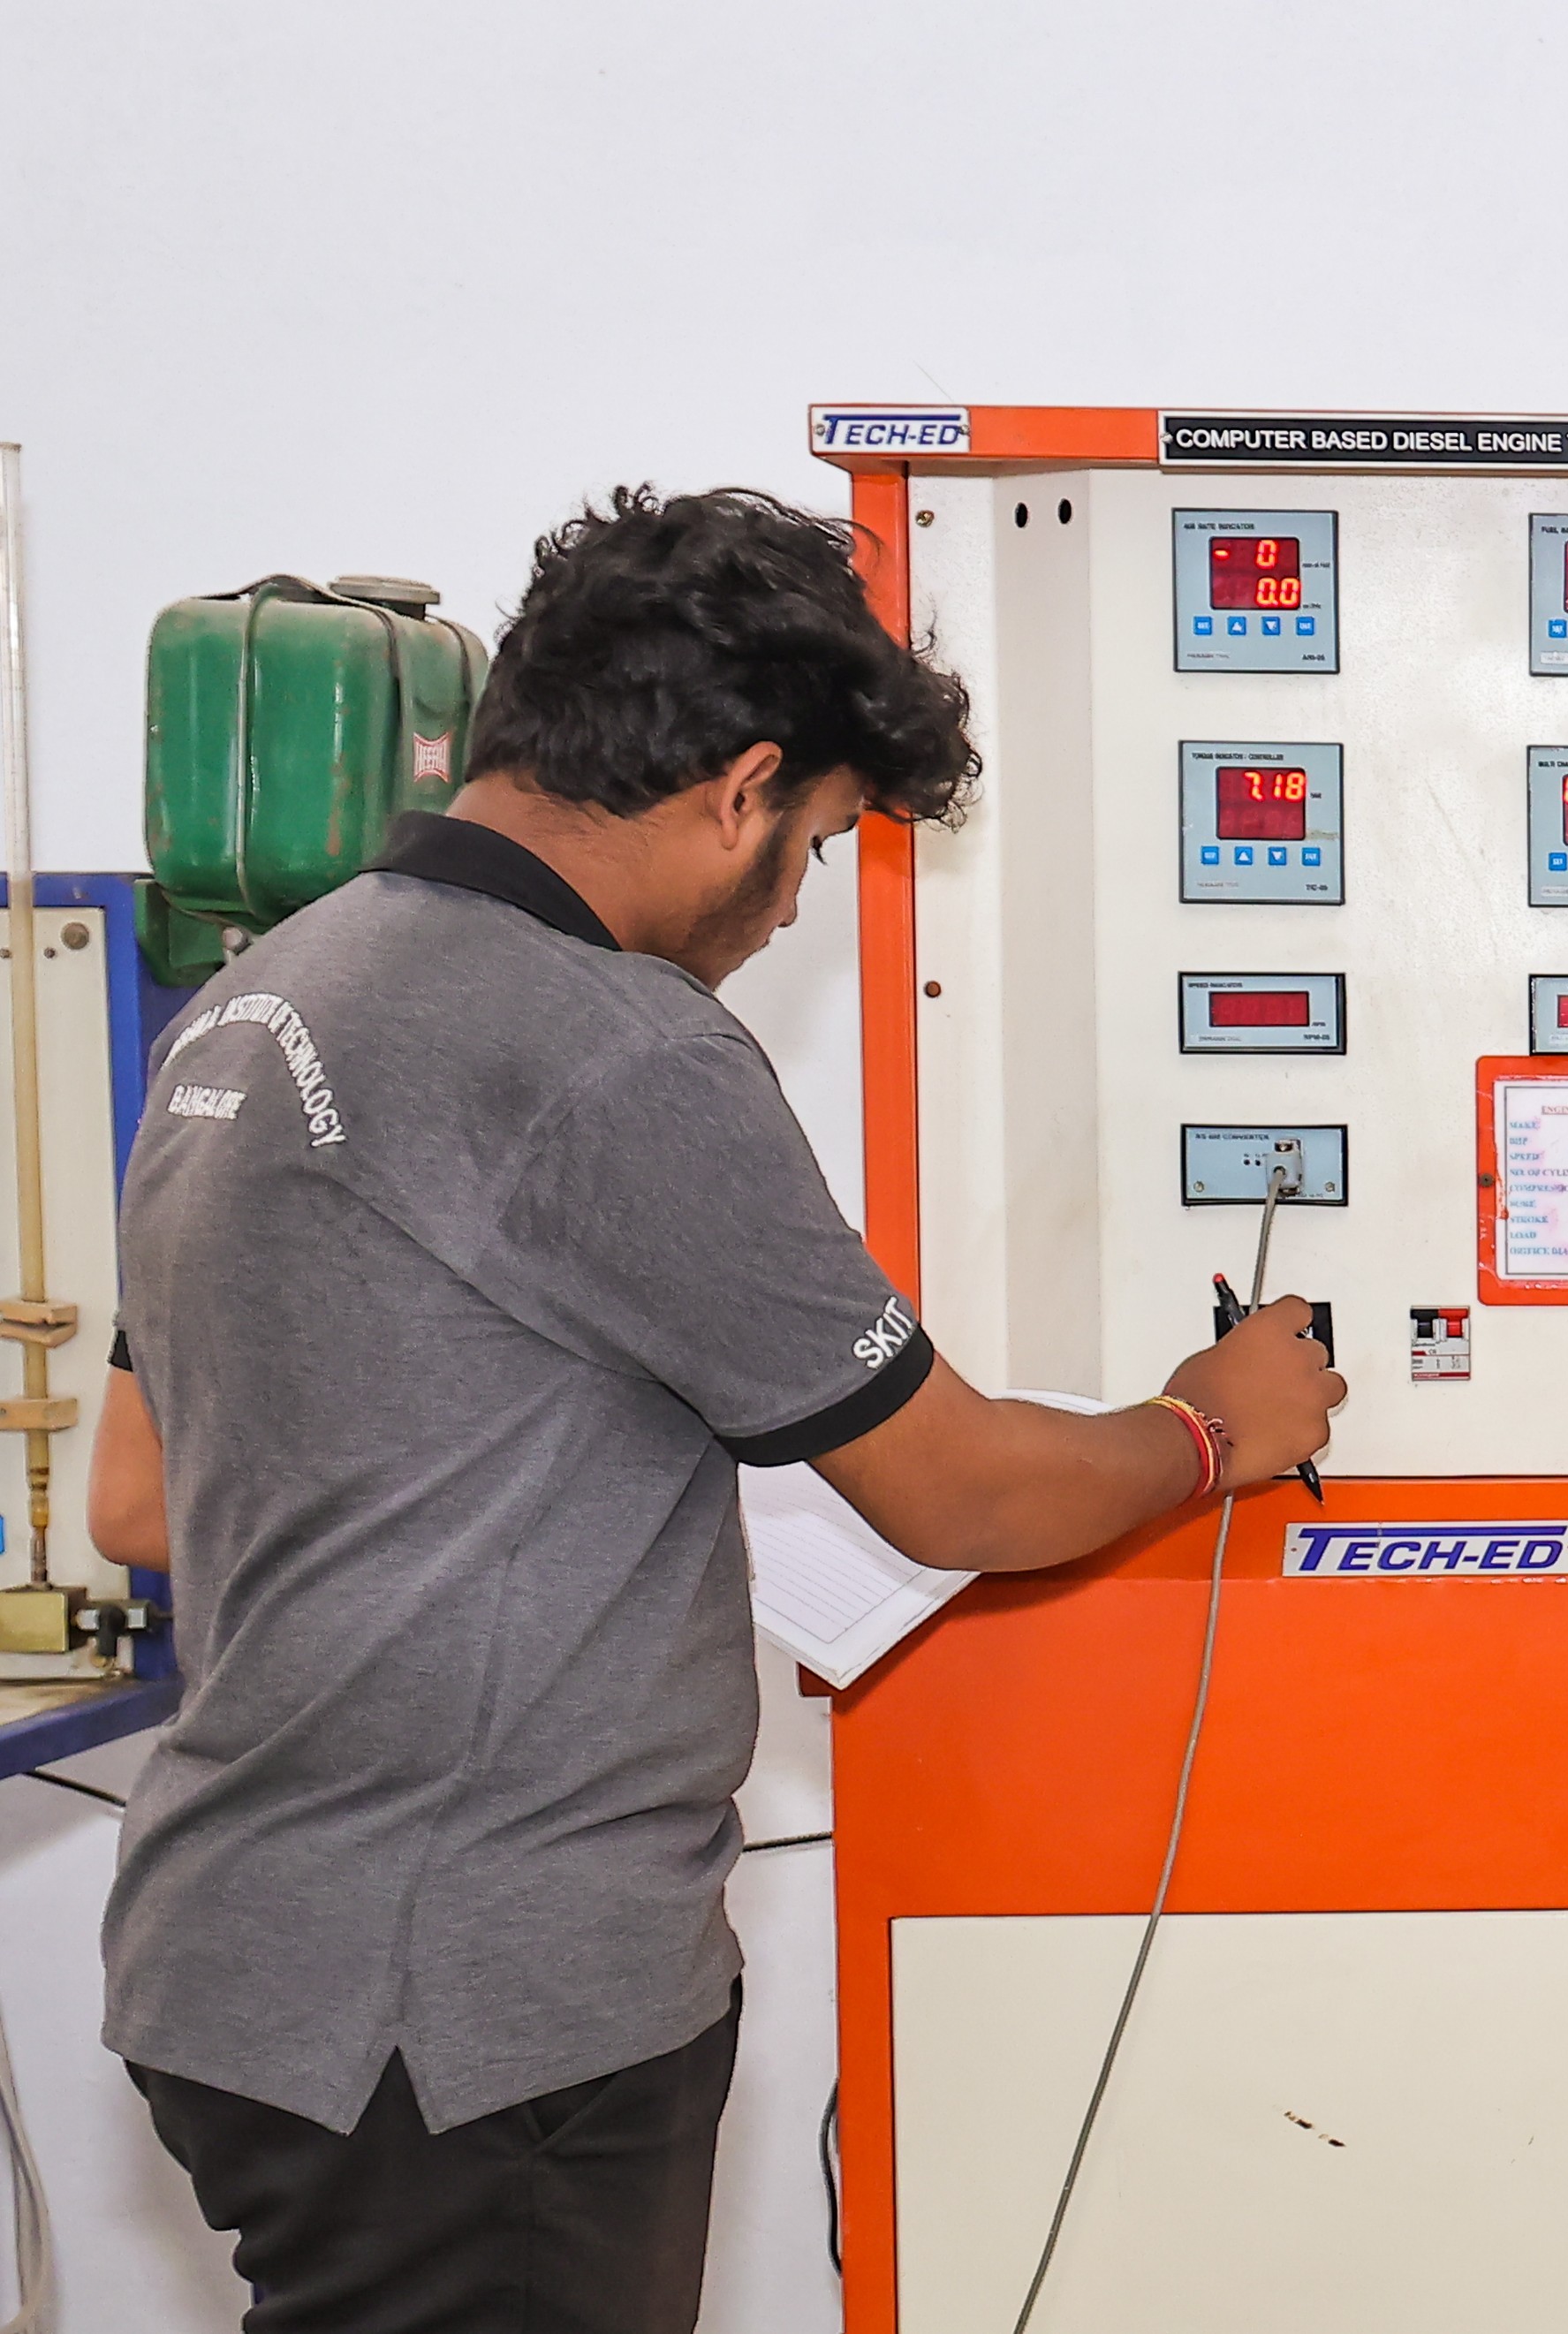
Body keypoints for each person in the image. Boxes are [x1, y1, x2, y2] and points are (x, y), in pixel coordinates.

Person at [81, 486, 1347, 2334]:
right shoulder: (613, 1047)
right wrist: (1213, 1423)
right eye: (820, 842)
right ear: (744, 788)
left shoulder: (265, 999)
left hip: (242, 1963)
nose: (797, 903)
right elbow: (964, 1492)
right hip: (471, 2012)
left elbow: (139, 1498)